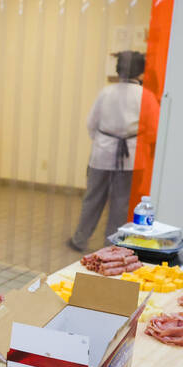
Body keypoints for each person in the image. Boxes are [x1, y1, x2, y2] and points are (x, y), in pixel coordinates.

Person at [68, 50, 160, 252]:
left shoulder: (106, 92)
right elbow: (154, 130)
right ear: (141, 72)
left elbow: (91, 124)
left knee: (92, 199)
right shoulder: (146, 96)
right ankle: (111, 246)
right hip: (132, 157)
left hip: (101, 154)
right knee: (121, 204)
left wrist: (104, 141)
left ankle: (79, 239)